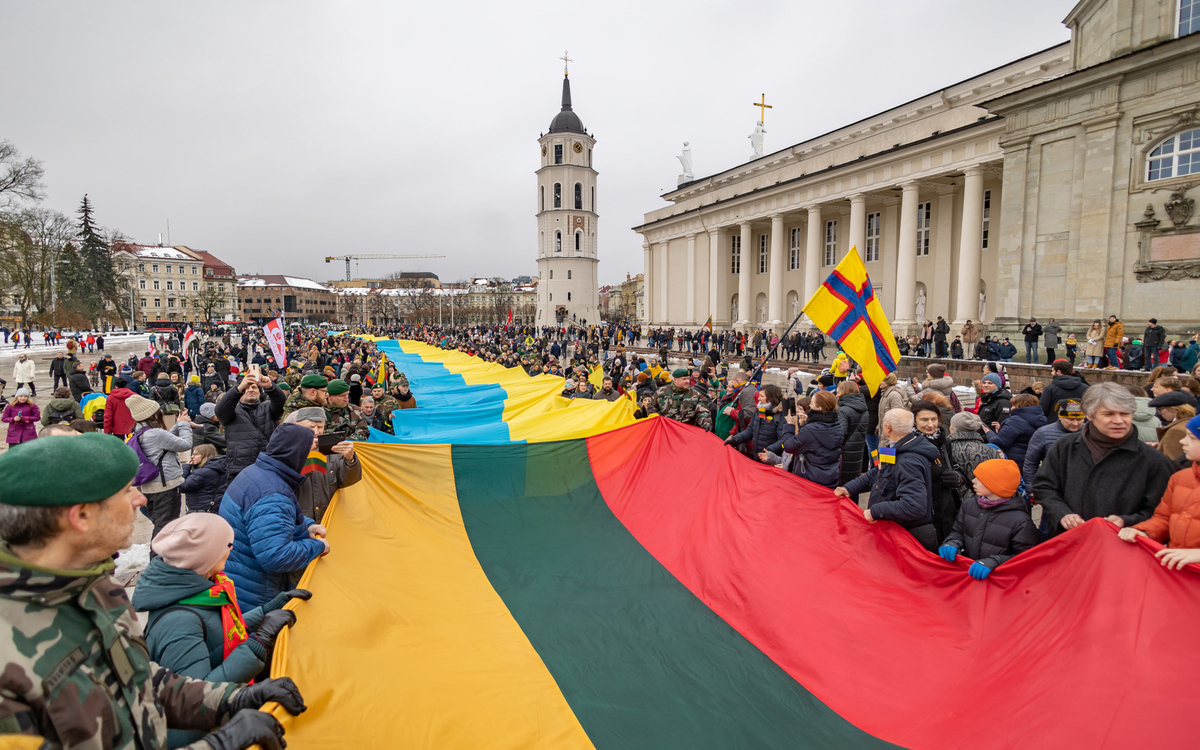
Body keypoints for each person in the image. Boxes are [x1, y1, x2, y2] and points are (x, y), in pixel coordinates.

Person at [0, 433, 306, 750]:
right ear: (81, 516)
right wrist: (217, 746)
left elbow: (137, 679)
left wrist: (232, 698)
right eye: (126, 490)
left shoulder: (97, 587)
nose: (141, 499)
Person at [132, 513, 311, 748]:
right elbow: (197, 695)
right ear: (205, 557)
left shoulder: (203, 588)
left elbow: (221, 632)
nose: (231, 550)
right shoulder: (179, 621)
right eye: (227, 545)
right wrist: (258, 643)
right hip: (201, 735)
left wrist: (268, 609)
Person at [1033, 382, 1174, 537]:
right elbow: (1044, 486)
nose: (1119, 421)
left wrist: (1126, 521)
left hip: (1120, 548)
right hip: (1069, 542)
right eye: (1109, 414)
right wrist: (1062, 514)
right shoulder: (1065, 446)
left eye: (1125, 414)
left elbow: (1161, 512)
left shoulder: (1153, 460)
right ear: (1089, 414)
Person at [220, 423, 328, 611]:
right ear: (296, 453)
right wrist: (317, 546)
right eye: (309, 451)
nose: (313, 457)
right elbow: (275, 556)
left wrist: (306, 526)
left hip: (238, 578)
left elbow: (266, 522)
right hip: (257, 593)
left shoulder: (256, 473)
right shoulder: (273, 492)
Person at [836, 409, 941, 552]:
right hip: (895, 533)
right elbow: (879, 472)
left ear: (888, 427)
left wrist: (875, 511)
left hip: (907, 538)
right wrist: (849, 488)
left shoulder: (908, 461)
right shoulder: (897, 448)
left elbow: (914, 506)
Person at [1118, 415, 1200, 568]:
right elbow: (1164, 518)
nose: (1182, 441)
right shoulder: (1180, 478)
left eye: (1192, 437)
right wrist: (1143, 532)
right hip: (1178, 571)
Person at [939, 459, 1040, 580]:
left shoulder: (1021, 521)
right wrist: (952, 542)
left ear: (996, 485)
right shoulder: (969, 505)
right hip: (969, 575)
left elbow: (1025, 558)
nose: (973, 481)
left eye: (980, 479)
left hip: (998, 581)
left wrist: (995, 562)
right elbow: (958, 531)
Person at [126, 394, 193, 540]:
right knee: (165, 528)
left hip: (149, 486)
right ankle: (159, 560)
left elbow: (165, 439)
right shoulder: (156, 433)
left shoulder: (139, 431)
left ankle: (161, 559)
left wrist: (178, 423)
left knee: (160, 525)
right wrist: (184, 425)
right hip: (165, 486)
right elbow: (185, 444)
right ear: (152, 415)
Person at [291, 406, 362, 525]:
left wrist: (350, 459)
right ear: (297, 426)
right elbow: (285, 484)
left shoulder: (332, 450)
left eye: (320, 427)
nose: (316, 432)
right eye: (311, 427)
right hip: (300, 521)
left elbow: (348, 481)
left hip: (330, 518)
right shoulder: (288, 450)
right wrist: (308, 455)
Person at [216, 367, 287, 482]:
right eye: (246, 388)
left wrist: (270, 386)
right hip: (240, 469)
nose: (250, 390)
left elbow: (281, 403)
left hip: (268, 467)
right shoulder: (231, 412)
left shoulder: (268, 408)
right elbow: (221, 409)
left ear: (260, 391)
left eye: (254, 387)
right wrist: (239, 387)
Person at [781, 391, 843, 488]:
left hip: (809, 479)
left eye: (812, 403)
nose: (810, 405)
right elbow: (816, 441)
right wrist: (807, 423)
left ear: (819, 408)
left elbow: (788, 446)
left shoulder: (810, 430)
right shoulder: (837, 425)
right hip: (829, 477)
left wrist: (789, 424)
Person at [1022, 398, 1085, 490]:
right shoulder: (1043, 433)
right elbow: (1031, 463)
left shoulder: (1090, 432)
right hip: (1053, 488)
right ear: (1060, 416)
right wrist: (1031, 488)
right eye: (1070, 419)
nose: (1075, 423)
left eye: (1079, 419)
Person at [724, 384, 791, 462]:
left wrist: (768, 450)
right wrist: (735, 439)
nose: (758, 398)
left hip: (770, 459)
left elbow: (783, 441)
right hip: (756, 456)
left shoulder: (782, 415)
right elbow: (750, 432)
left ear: (770, 398)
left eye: (762, 396)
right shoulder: (759, 411)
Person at [635, 367, 714, 431]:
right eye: (684, 379)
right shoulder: (661, 392)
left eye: (688, 379)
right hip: (665, 431)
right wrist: (656, 418)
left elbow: (702, 411)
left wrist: (706, 422)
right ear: (675, 380)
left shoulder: (694, 395)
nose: (687, 381)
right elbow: (651, 406)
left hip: (686, 433)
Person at [984, 393, 1046, 470]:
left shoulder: (1015, 420)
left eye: (1013, 405)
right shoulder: (1039, 418)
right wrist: (1002, 430)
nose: (1011, 408)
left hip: (1013, 460)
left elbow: (1000, 442)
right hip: (1029, 459)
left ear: (1020, 406)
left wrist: (989, 433)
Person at [835, 380, 869, 486]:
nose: (836, 395)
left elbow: (839, 435)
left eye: (838, 392)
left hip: (844, 455)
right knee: (852, 487)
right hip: (857, 454)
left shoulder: (843, 411)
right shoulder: (864, 409)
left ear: (844, 392)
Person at [179, 443, 228, 514]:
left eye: (196, 454)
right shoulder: (220, 469)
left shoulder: (201, 473)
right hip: (215, 509)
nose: (192, 457)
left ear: (205, 455)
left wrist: (186, 468)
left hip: (200, 510)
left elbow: (182, 486)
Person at [1148, 391, 1194, 461]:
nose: (1160, 413)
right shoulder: (1190, 422)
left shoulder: (1175, 430)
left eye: (1160, 410)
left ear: (1174, 409)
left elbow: (1172, 462)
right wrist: (1160, 447)